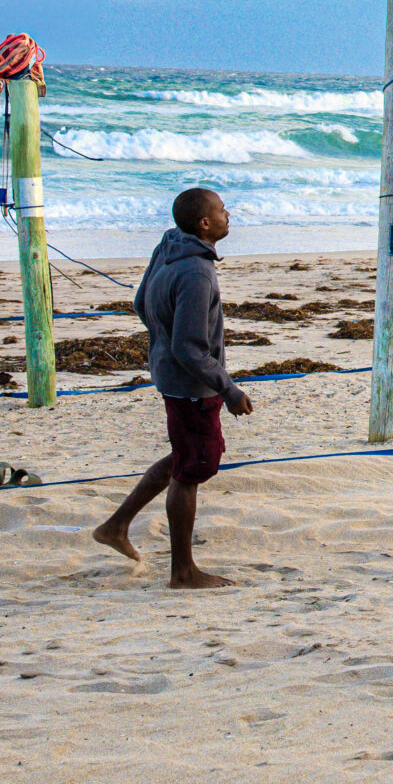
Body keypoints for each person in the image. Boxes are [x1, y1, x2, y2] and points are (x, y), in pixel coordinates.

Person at [93, 187, 256, 589]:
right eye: (222, 211)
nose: (228, 215)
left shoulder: (169, 245)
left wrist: (163, 343)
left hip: (171, 374)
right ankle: (182, 572)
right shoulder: (197, 272)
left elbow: (141, 304)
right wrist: (229, 390)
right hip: (192, 385)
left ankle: (116, 526)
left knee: (185, 455)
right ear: (205, 223)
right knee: (193, 467)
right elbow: (189, 347)